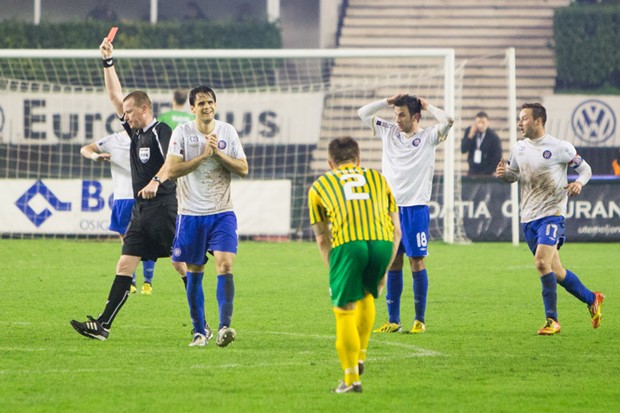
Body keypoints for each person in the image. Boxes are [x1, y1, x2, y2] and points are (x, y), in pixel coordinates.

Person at [70, 37, 179, 341]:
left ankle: (203, 323)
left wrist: (156, 182)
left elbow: (172, 163)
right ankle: (103, 325)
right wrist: (108, 61)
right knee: (124, 263)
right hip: (139, 211)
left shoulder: (161, 132)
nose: (125, 117)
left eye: (130, 113)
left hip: (163, 208)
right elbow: (115, 96)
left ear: (144, 109)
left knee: (182, 265)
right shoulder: (136, 133)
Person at [143, 85, 248, 347]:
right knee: (195, 271)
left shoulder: (227, 132)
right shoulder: (183, 132)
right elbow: (174, 169)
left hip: (222, 212)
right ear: (192, 108)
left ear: (215, 105)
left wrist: (219, 154)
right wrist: (203, 156)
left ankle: (224, 327)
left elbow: (243, 168)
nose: (207, 107)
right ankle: (199, 331)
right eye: (201, 103)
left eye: (210, 102)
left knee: (225, 265)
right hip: (190, 214)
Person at [496, 102, 604, 335]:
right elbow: (514, 175)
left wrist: (578, 183)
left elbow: (586, 169)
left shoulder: (560, 147)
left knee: (541, 263)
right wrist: (504, 175)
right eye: (519, 118)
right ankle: (592, 298)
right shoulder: (519, 148)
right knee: (556, 271)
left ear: (538, 121)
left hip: (552, 215)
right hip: (528, 218)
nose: (519, 123)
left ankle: (552, 320)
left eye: (524, 118)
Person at [308, 137, 401, 393]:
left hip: (349, 244)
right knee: (368, 293)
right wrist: (385, 269)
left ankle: (351, 380)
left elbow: (322, 238)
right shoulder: (379, 179)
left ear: (330, 163)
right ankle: (360, 356)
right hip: (382, 243)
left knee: (344, 308)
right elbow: (397, 230)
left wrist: (334, 269)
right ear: (358, 159)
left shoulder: (319, 186)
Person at [358, 94, 454, 334]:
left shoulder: (428, 136)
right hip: (389, 209)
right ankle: (394, 320)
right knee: (393, 262)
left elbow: (449, 120)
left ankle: (419, 320)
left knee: (416, 260)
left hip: (415, 208)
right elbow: (363, 113)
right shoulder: (388, 131)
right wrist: (388, 101)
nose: (397, 119)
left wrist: (427, 105)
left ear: (416, 117)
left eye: (402, 115)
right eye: (395, 114)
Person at [80, 132, 157, 295]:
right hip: (123, 197)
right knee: (129, 240)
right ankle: (138, 282)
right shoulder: (113, 139)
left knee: (143, 239)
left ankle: (143, 282)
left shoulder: (151, 136)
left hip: (144, 195)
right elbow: (85, 149)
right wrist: (95, 156)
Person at [460, 111, 502, 176]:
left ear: (488, 123)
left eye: (483, 122)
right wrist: (470, 136)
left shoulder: (493, 137)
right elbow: (463, 149)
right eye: (478, 122)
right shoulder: (470, 131)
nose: (480, 125)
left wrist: (489, 171)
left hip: (487, 172)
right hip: (473, 170)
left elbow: (497, 157)